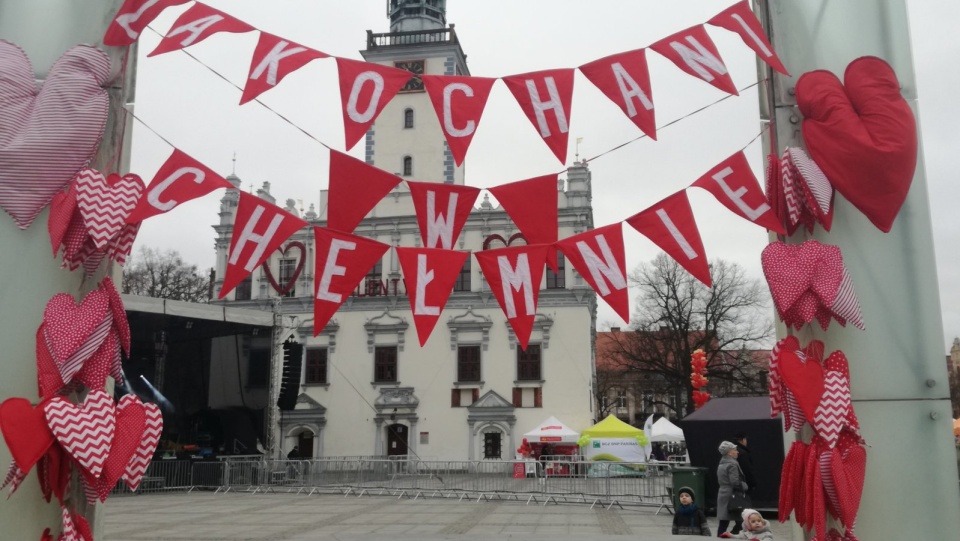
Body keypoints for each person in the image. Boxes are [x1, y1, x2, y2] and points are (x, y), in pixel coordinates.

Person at [716, 441, 748, 537]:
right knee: (740, 519)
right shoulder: (732, 464)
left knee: (724, 521)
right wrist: (744, 486)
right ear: (729, 452)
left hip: (723, 493)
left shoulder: (721, 463)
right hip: (732, 495)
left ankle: (720, 537)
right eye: (735, 450)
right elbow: (735, 482)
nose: (737, 452)